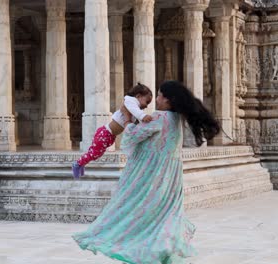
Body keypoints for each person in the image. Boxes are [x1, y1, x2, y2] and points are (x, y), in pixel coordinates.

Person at [72, 80, 220, 264]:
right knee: (163, 217)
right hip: (170, 178)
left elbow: (132, 136)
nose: (156, 99)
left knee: (138, 213)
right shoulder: (176, 120)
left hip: (152, 176)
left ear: (168, 100)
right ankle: (163, 250)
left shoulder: (159, 118)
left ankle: (146, 252)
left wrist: (126, 119)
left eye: (159, 95)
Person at [72, 83, 153, 179]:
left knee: (95, 153)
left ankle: (81, 164)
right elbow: (136, 112)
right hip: (105, 133)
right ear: (138, 96)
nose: (146, 106)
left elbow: (134, 122)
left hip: (109, 135)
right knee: (94, 153)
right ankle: (77, 164)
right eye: (147, 102)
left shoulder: (134, 107)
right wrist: (143, 116)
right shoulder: (130, 101)